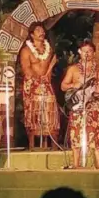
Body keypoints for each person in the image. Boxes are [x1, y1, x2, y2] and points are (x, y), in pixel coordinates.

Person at [61, 41, 99, 169]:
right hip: (78, 106)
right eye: (84, 51)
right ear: (80, 52)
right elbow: (63, 86)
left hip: (94, 106)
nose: (86, 53)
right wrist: (74, 85)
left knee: (97, 134)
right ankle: (76, 164)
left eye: (89, 51)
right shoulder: (73, 69)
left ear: (93, 53)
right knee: (76, 133)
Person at [20, 22, 60, 150]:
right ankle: (32, 144)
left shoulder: (49, 50)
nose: (42, 32)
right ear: (32, 34)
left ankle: (53, 143)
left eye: (42, 30)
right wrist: (37, 81)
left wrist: (47, 74)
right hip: (32, 83)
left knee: (50, 107)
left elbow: (49, 70)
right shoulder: (26, 50)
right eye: (38, 30)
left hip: (45, 82)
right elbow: (26, 69)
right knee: (33, 111)